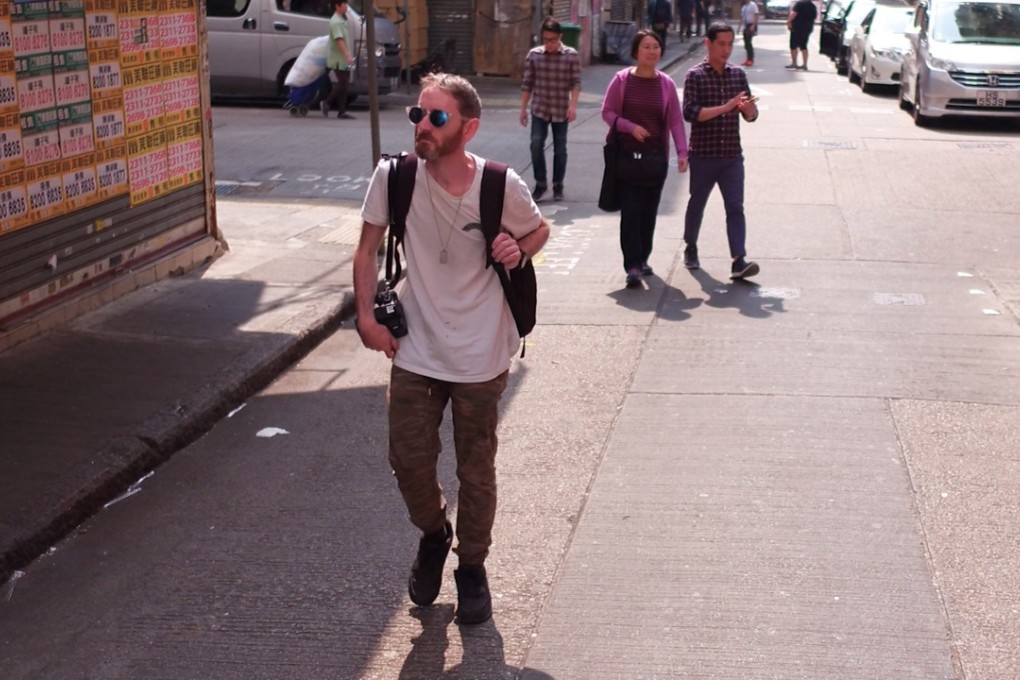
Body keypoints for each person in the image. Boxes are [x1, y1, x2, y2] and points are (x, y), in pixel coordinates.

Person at [354, 73, 551, 626]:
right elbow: (367, 250)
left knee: (476, 469)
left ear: (468, 128)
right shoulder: (394, 176)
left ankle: (472, 567)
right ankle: (435, 532)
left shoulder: (498, 184)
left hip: (482, 351)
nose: (422, 125)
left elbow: (540, 230)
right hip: (417, 346)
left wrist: (518, 248)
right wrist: (366, 316)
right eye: (418, 114)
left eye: (436, 118)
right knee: (407, 458)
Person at [601, 29, 689, 289]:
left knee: (649, 213)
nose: (652, 51)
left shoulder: (666, 84)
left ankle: (643, 257)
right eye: (647, 47)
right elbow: (607, 112)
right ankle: (632, 266)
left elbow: (675, 120)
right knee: (630, 212)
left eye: (656, 46)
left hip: (655, 159)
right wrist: (630, 127)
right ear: (636, 52)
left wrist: (683, 152)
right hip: (627, 158)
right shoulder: (621, 80)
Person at [681, 21, 760, 280]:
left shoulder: (738, 75)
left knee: (735, 206)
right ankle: (690, 246)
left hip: (731, 156)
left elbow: (750, 114)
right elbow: (691, 113)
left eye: (730, 44)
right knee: (697, 203)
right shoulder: (695, 75)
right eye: (721, 44)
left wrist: (749, 111)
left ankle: (739, 259)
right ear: (709, 43)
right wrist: (725, 107)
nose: (726, 50)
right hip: (704, 154)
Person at [520, 18, 581, 202]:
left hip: (561, 109)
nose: (549, 44)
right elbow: (527, 84)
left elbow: (576, 83)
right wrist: (522, 109)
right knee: (536, 145)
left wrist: (573, 106)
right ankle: (540, 184)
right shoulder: (534, 55)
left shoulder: (571, 55)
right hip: (540, 108)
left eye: (553, 40)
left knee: (560, 149)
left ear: (560, 37)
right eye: (546, 40)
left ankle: (558, 185)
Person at [321, 0, 356, 119]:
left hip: (344, 58)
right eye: (344, 4)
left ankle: (342, 111)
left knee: (345, 84)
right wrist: (347, 55)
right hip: (338, 59)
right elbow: (339, 39)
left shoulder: (342, 19)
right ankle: (327, 103)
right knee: (343, 83)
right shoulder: (336, 22)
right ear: (337, 6)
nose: (346, 6)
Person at [786, 0, 818, 70]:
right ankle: (804, 64)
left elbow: (793, 14)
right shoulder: (813, 6)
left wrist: (788, 22)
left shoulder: (799, 4)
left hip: (797, 27)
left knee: (793, 45)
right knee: (803, 45)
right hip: (807, 27)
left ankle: (794, 63)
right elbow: (814, 17)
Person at [739, 0, 759, 66]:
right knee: (746, 43)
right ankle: (748, 59)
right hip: (746, 25)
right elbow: (742, 17)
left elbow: (756, 15)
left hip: (751, 24)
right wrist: (739, 26)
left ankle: (751, 59)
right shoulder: (744, 6)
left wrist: (753, 25)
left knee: (748, 42)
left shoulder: (752, 5)